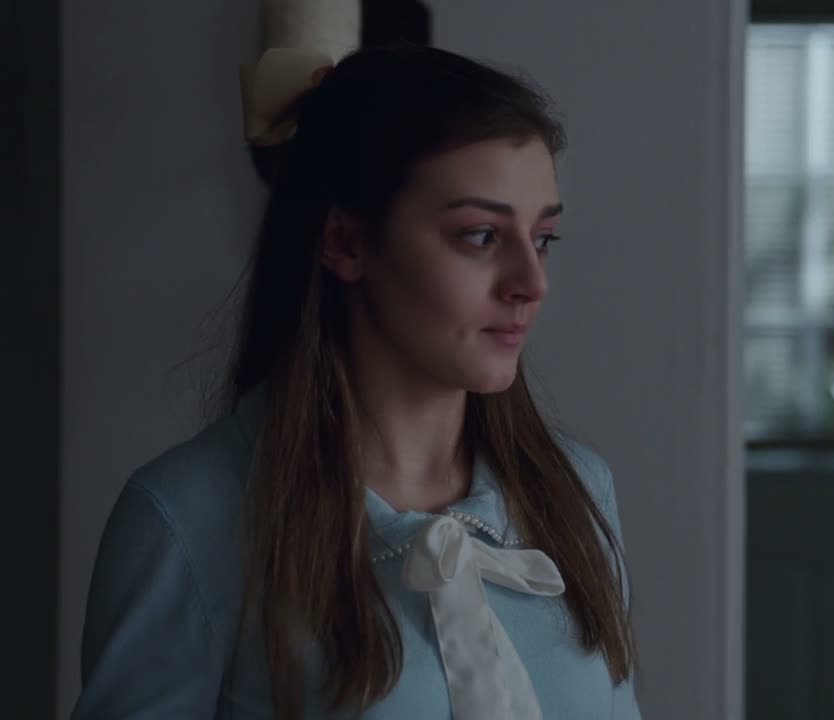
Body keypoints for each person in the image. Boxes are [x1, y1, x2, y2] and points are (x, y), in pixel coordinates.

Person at [70, 44, 640, 720]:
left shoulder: (577, 491)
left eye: (542, 238)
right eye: (481, 236)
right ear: (344, 242)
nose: (531, 282)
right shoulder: (191, 517)